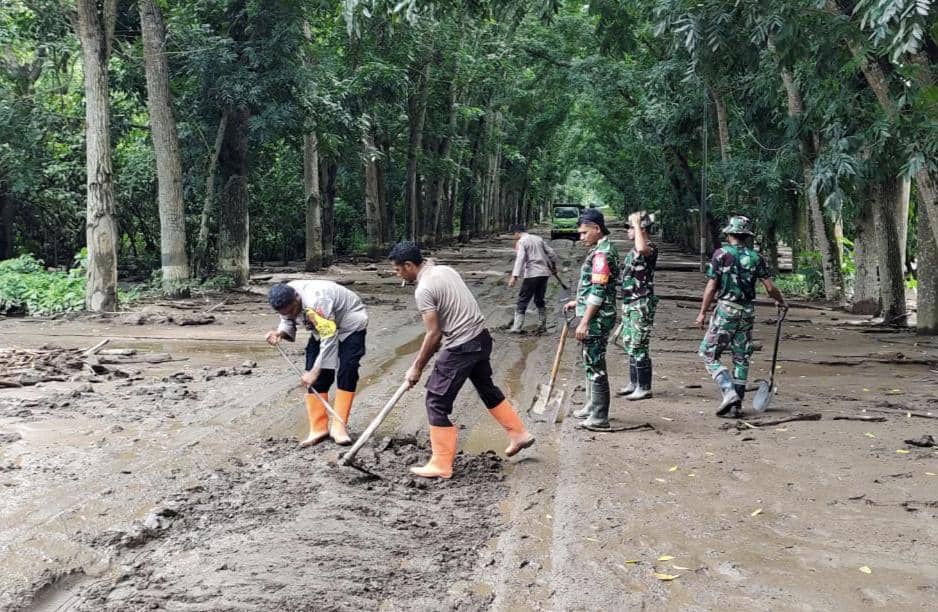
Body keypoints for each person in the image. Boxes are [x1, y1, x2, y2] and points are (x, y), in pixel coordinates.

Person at [389, 241, 535, 479]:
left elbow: (433, 334)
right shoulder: (445, 270)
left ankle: (441, 464)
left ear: (408, 265)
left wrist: (416, 368)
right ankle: (519, 433)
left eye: (397, 270)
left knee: (436, 400)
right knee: (486, 388)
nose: (397, 275)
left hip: (461, 345)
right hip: (481, 338)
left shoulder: (423, 289)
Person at [695, 216, 787, 417]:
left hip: (726, 310)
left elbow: (712, 286)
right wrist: (780, 301)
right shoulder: (756, 257)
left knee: (708, 353)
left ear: (729, 234)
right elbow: (769, 287)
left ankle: (728, 391)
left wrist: (703, 311)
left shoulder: (721, 255)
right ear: (745, 236)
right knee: (741, 357)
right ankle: (736, 406)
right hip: (747, 312)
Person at [265, 281, 368, 446]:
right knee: (316, 375)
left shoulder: (318, 300)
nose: (291, 315)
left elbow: (329, 337)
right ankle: (318, 428)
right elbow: (287, 321)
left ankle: (339, 427)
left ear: (297, 297)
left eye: (293, 311)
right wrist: (280, 333)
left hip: (349, 323)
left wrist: (315, 371)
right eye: (285, 313)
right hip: (320, 327)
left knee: (347, 370)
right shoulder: (284, 299)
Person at [563, 209, 620, 430]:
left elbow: (598, 291)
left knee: (596, 364)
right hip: (597, 312)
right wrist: (578, 301)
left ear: (597, 228)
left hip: (598, 318)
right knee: (590, 361)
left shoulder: (602, 255)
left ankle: (599, 417)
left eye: (585, 233)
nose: (581, 237)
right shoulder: (602, 249)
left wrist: (585, 321)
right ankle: (591, 405)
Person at [617, 211, 659, 401]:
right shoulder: (632, 251)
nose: (628, 231)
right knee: (630, 343)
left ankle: (644, 387)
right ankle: (634, 383)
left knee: (639, 344)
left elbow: (642, 249)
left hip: (641, 302)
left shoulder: (649, 247)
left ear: (641, 229)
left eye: (631, 228)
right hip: (629, 301)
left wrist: (635, 221)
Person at [507, 223, 559, 334]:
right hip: (544, 274)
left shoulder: (522, 242)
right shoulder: (538, 239)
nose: (514, 236)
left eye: (514, 234)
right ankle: (542, 325)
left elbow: (520, 259)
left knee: (523, 299)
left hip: (532, 274)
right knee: (539, 299)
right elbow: (552, 253)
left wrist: (514, 276)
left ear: (517, 232)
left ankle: (517, 327)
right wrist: (554, 267)